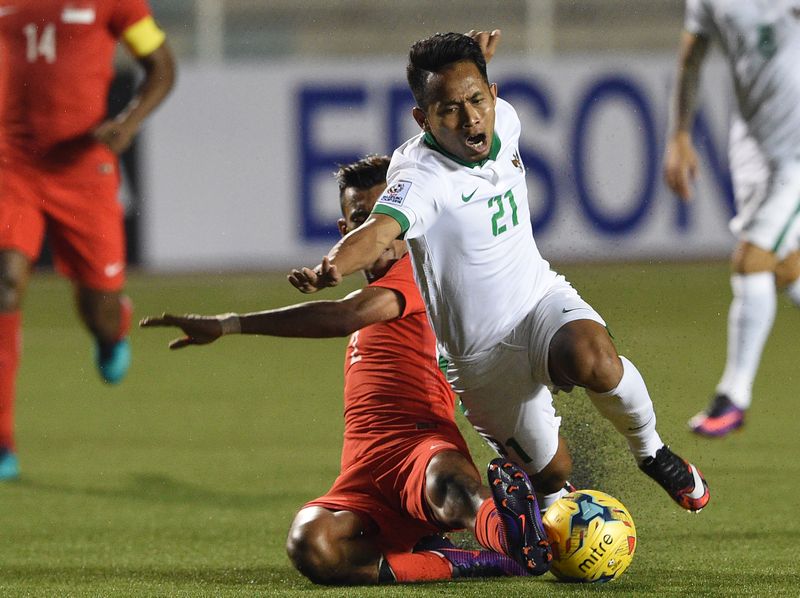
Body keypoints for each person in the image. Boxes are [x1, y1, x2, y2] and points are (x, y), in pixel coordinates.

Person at [289, 33, 711, 572]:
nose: (470, 119)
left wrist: (474, 70)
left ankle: (652, 452)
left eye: (476, 100)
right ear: (423, 120)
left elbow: (473, 97)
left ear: (493, 93)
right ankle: (545, 522)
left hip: (537, 301)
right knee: (553, 474)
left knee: (593, 357)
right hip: (479, 360)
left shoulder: (504, 119)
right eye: (449, 109)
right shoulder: (419, 177)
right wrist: (333, 265)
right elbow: (378, 231)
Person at [141, 153, 552, 584]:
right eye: (361, 219)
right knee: (310, 544)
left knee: (449, 487)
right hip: (362, 471)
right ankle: (462, 559)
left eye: (385, 217)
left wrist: (229, 324)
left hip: (420, 447)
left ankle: (512, 539)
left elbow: (343, 316)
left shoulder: (421, 271)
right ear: (345, 231)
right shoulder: (378, 293)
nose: (376, 233)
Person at [0, 0, 176, 480]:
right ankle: (3, 440)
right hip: (12, 165)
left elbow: (161, 66)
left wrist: (129, 122)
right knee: (5, 283)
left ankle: (112, 328)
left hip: (82, 168)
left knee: (99, 309)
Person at [663, 1, 800, 438]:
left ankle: (733, 396)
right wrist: (679, 135)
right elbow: (692, 56)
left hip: (797, 153)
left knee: (751, 259)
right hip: (754, 143)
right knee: (785, 267)